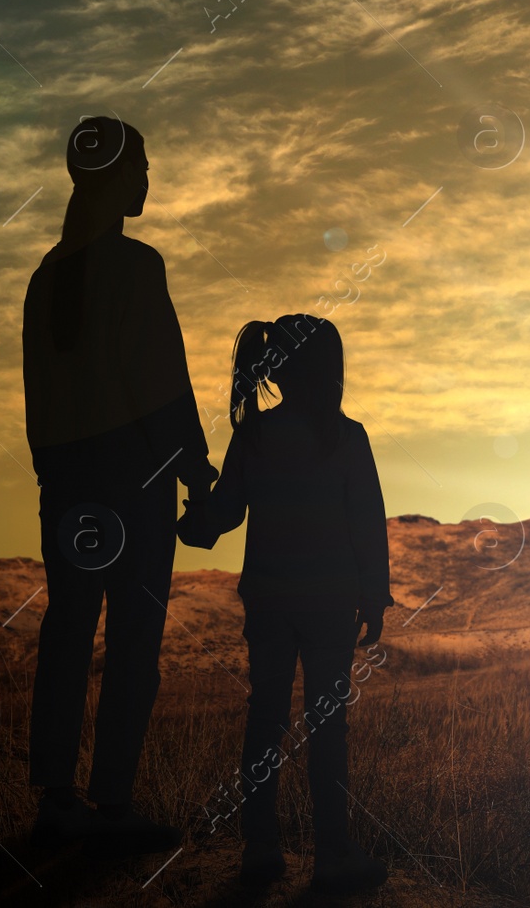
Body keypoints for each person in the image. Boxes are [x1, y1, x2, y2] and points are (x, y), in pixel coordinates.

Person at [21, 116, 217, 848]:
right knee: (135, 638)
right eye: (140, 166)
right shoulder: (137, 268)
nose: (147, 178)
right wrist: (196, 472)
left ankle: (54, 797)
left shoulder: (45, 279)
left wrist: (54, 473)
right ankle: (112, 801)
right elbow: (161, 385)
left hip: (66, 479)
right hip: (133, 475)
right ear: (112, 178)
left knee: (67, 630)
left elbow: (36, 399)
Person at [180, 313, 393, 892]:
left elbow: (222, 515)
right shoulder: (347, 438)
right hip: (329, 603)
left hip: (269, 600)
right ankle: (333, 854)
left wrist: (190, 520)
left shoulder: (253, 435)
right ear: (331, 371)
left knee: (265, 718)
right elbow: (367, 521)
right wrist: (375, 593)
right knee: (329, 727)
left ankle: (260, 848)